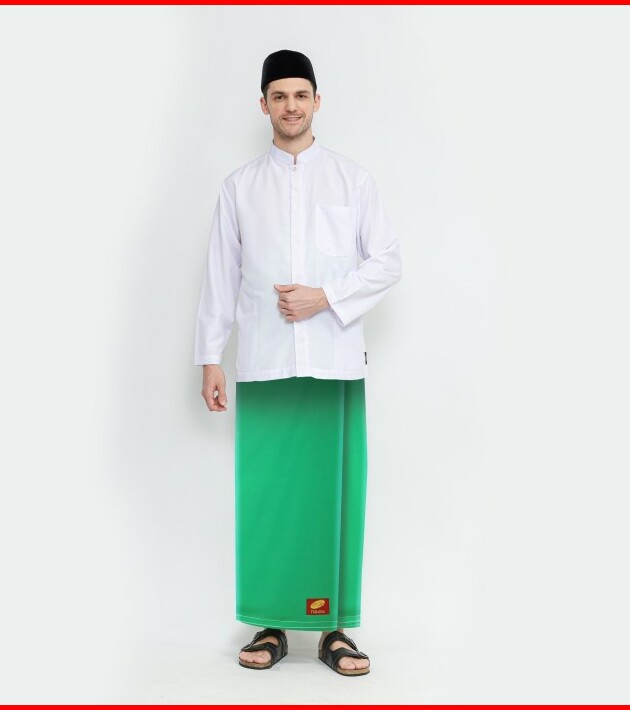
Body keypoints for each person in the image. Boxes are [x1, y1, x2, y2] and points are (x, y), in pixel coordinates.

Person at [194, 49, 401, 676]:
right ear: (263, 105)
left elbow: (387, 261)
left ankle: (335, 629)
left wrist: (326, 297)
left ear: (317, 102)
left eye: (300, 95)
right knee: (268, 495)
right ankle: (270, 622)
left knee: (334, 495)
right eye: (279, 96)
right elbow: (220, 277)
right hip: (264, 360)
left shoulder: (351, 181)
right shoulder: (239, 187)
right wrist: (209, 357)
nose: (291, 106)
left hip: (334, 363)